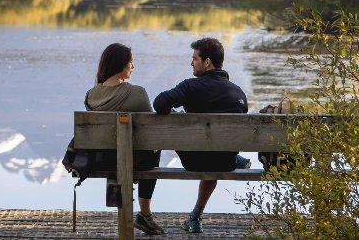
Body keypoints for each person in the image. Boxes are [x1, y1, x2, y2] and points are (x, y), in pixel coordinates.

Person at [152, 37, 249, 234]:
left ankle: (194, 217)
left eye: (195, 58)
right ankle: (196, 215)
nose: (191, 62)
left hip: (194, 161)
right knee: (216, 152)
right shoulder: (238, 94)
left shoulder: (190, 87)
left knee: (176, 120)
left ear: (207, 62)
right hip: (224, 161)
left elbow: (159, 104)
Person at [84, 43, 165, 235]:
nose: (133, 67)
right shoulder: (137, 93)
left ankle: (134, 207)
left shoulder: (91, 95)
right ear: (121, 65)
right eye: (131, 62)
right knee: (154, 147)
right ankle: (145, 214)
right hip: (133, 161)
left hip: (102, 161)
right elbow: (151, 130)